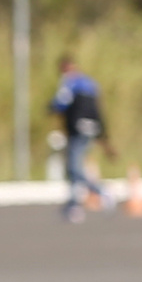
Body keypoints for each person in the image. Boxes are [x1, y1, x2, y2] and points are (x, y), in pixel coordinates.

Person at [50, 55, 113, 220]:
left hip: (77, 129)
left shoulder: (69, 82)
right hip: (91, 129)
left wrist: (50, 108)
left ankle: (100, 192)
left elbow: (60, 102)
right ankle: (73, 205)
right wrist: (103, 136)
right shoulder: (90, 83)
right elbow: (98, 111)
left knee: (73, 168)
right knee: (75, 168)